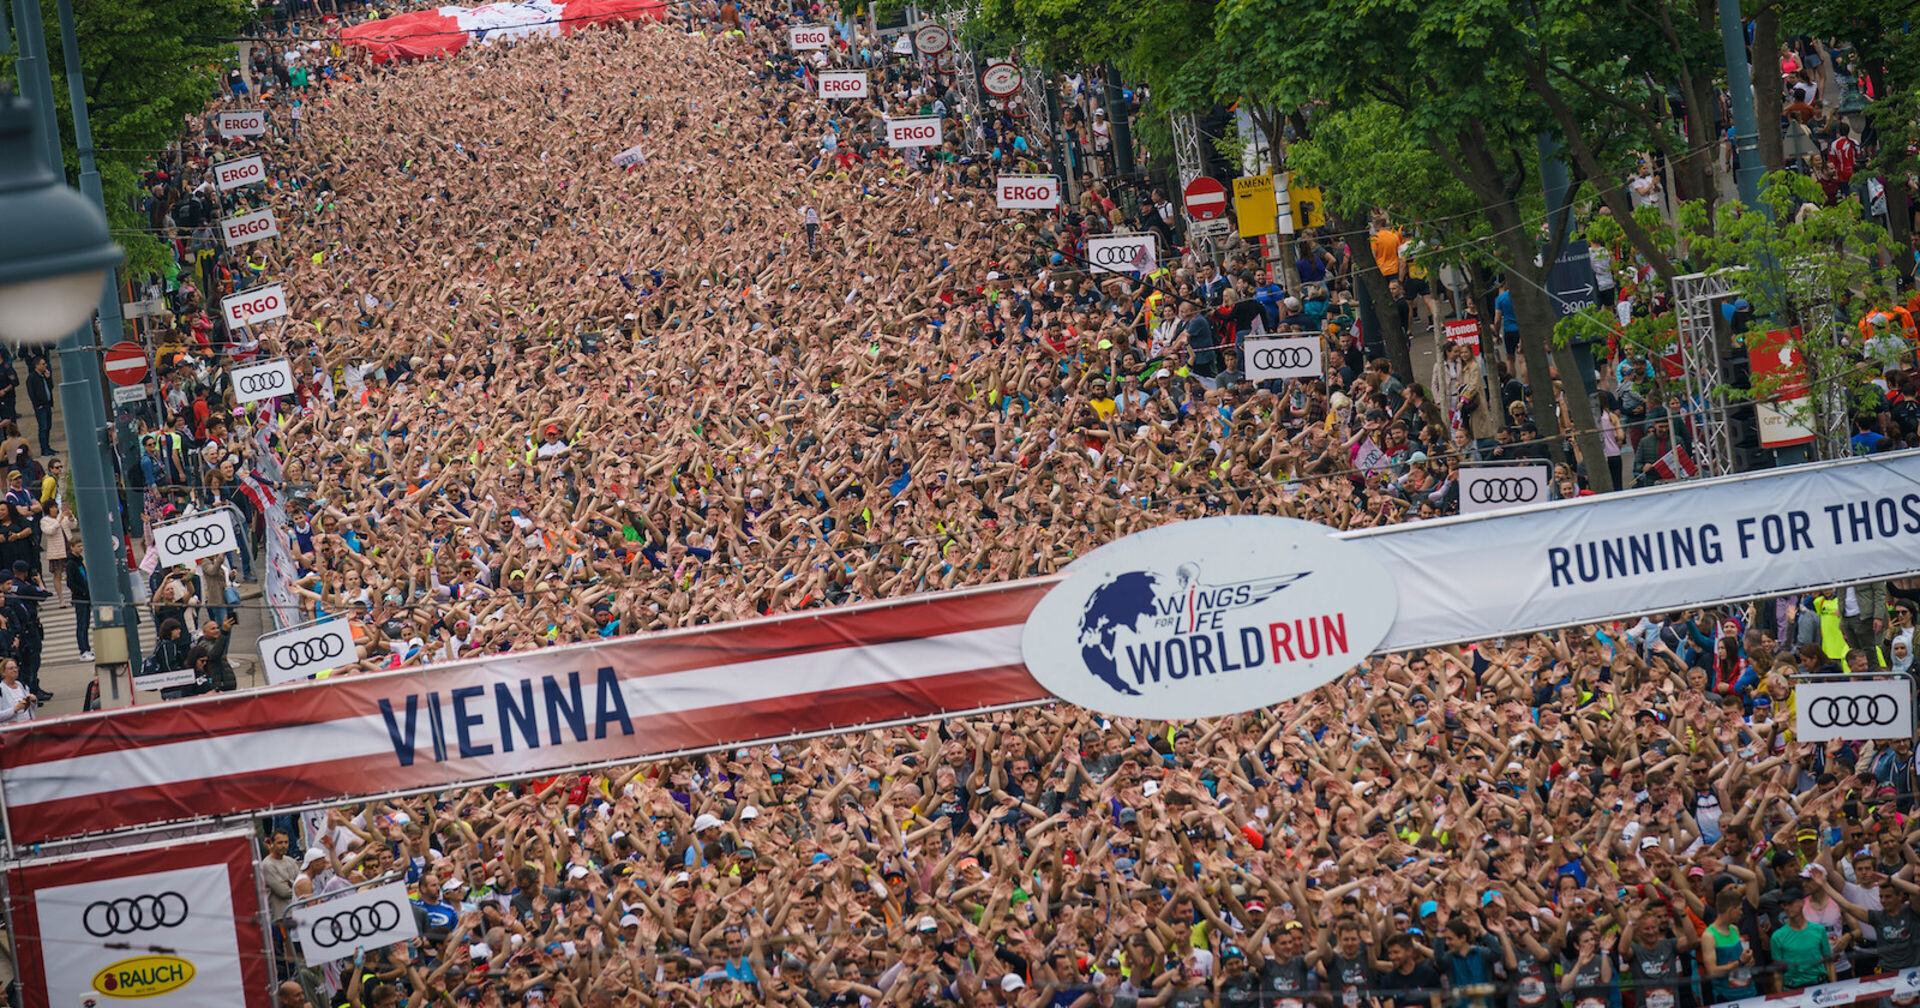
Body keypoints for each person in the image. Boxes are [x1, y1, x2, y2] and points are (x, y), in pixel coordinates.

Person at [24, 358, 52, 458]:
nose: (45, 366)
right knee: (43, 427)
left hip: (47, 404)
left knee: (48, 426)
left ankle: (48, 447)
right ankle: (44, 450)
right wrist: (37, 404)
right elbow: (31, 393)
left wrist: (48, 378)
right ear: (37, 366)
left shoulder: (43, 376)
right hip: (41, 406)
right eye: (43, 364)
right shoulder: (32, 378)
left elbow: (50, 387)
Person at [0, 659, 33, 725]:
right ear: (3, 672)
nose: (15, 670)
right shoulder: (1, 690)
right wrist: (15, 709)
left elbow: (31, 711)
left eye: (16, 667)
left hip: (28, 726)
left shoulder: (23, 686)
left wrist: (34, 701)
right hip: (12, 730)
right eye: (11, 668)